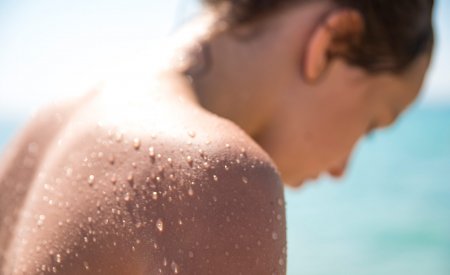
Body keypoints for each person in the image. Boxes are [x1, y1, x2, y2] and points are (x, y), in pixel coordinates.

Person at [0, 0, 434, 274]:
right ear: (334, 39)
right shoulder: (214, 176)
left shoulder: (43, 128)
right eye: (374, 124)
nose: (342, 169)